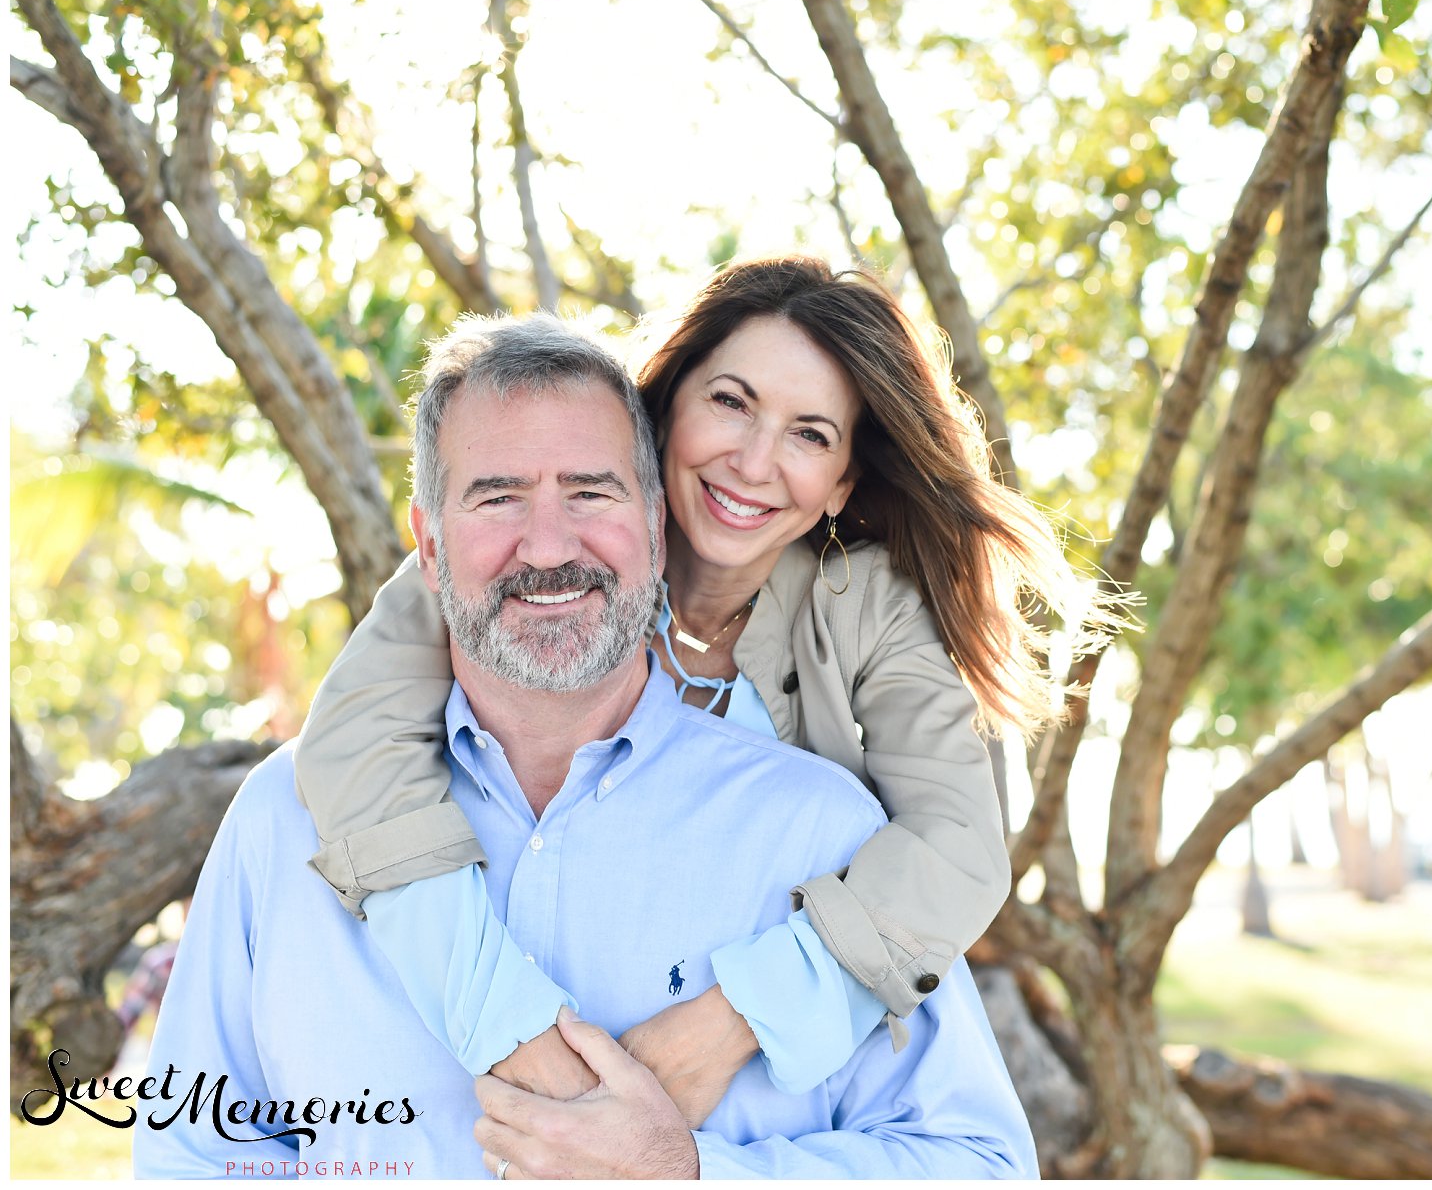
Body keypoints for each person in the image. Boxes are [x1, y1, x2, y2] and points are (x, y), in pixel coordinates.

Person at [132, 314, 1035, 1178]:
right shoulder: (284, 820)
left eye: (589, 491)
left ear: (649, 517)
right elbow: (196, 1156)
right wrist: (517, 1033)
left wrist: (687, 1160)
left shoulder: (826, 818)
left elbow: (980, 1152)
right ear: (430, 543)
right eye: (498, 497)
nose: (548, 542)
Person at [291, 256, 1104, 1127]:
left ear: (841, 486)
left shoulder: (872, 609)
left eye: (810, 434)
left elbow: (957, 847)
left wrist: (730, 1023)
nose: (753, 462)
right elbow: (352, 736)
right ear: (666, 403)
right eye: (731, 401)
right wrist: (510, 1029)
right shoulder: (542, 551)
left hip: (754, 1104)